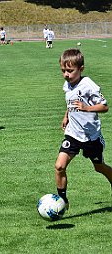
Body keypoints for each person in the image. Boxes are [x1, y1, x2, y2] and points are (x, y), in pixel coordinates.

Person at [55, 48, 112, 208]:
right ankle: (62, 201)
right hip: (73, 133)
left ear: (81, 69)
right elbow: (70, 101)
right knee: (60, 166)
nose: (66, 74)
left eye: (70, 71)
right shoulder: (67, 84)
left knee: (99, 167)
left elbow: (105, 106)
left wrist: (87, 108)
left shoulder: (89, 85)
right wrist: (66, 115)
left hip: (91, 136)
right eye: (63, 70)